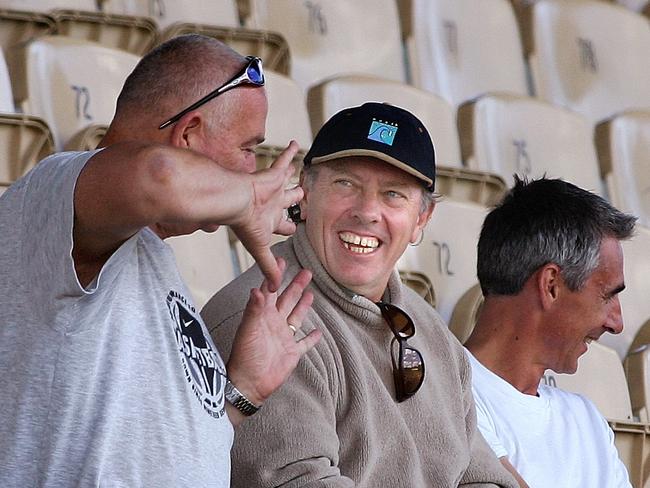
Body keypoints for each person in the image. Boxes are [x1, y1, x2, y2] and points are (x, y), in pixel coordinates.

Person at [0, 34, 320, 487]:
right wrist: (247, 199)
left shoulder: (152, 255)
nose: (253, 171)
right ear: (187, 135)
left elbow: (158, 448)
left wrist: (241, 392)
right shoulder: (53, 187)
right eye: (248, 149)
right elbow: (159, 175)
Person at [203, 102, 518, 487]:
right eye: (346, 184)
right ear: (305, 192)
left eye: (393, 194)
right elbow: (297, 481)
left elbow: (483, 476)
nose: (367, 211)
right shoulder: (261, 317)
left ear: (421, 220)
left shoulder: (433, 332)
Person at [464, 176, 636, 488]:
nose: (616, 323)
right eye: (607, 295)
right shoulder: (447, 395)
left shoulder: (588, 421)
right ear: (551, 285)